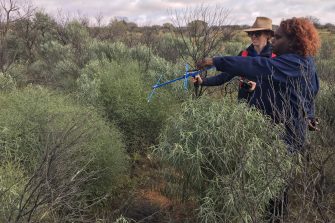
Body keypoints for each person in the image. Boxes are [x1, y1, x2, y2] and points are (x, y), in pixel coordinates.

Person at [193, 17, 320, 152]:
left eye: (277, 37)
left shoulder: (291, 62)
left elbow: (256, 66)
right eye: (251, 34)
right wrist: (204, 81)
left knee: (276, 163)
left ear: (292, 41)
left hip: (285, 128)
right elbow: (312, 90)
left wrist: (215, 61)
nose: (273, 41)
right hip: (256, 117)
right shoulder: (248, 54)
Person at [197, 16, 276, 102]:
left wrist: (258, 87)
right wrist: (202, 81)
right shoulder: (243, 55)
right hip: (243, 105)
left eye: (257, 33)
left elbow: (280, 87)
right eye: (251, 34)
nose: (253, 36)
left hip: (267, 105)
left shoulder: (276, 57)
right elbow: (225, 76)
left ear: (268, 35)